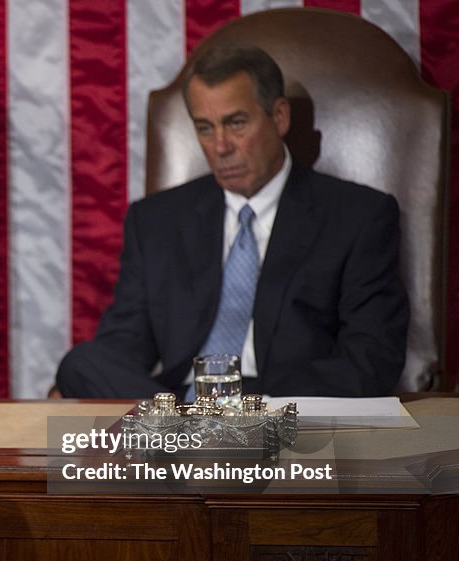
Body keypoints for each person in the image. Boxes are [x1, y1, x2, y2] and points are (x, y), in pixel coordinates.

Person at [55, 44, 408, 399]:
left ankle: (190, 433)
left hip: (279, 404)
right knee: (82, 363)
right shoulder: (155, 221)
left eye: (236, 123)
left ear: (279, 117)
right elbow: (124, 344)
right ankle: (189, 431)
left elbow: (372, 357)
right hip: (179, 403)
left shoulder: (357, 216)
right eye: (205, 128)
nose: (220, 146)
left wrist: (238, 400)